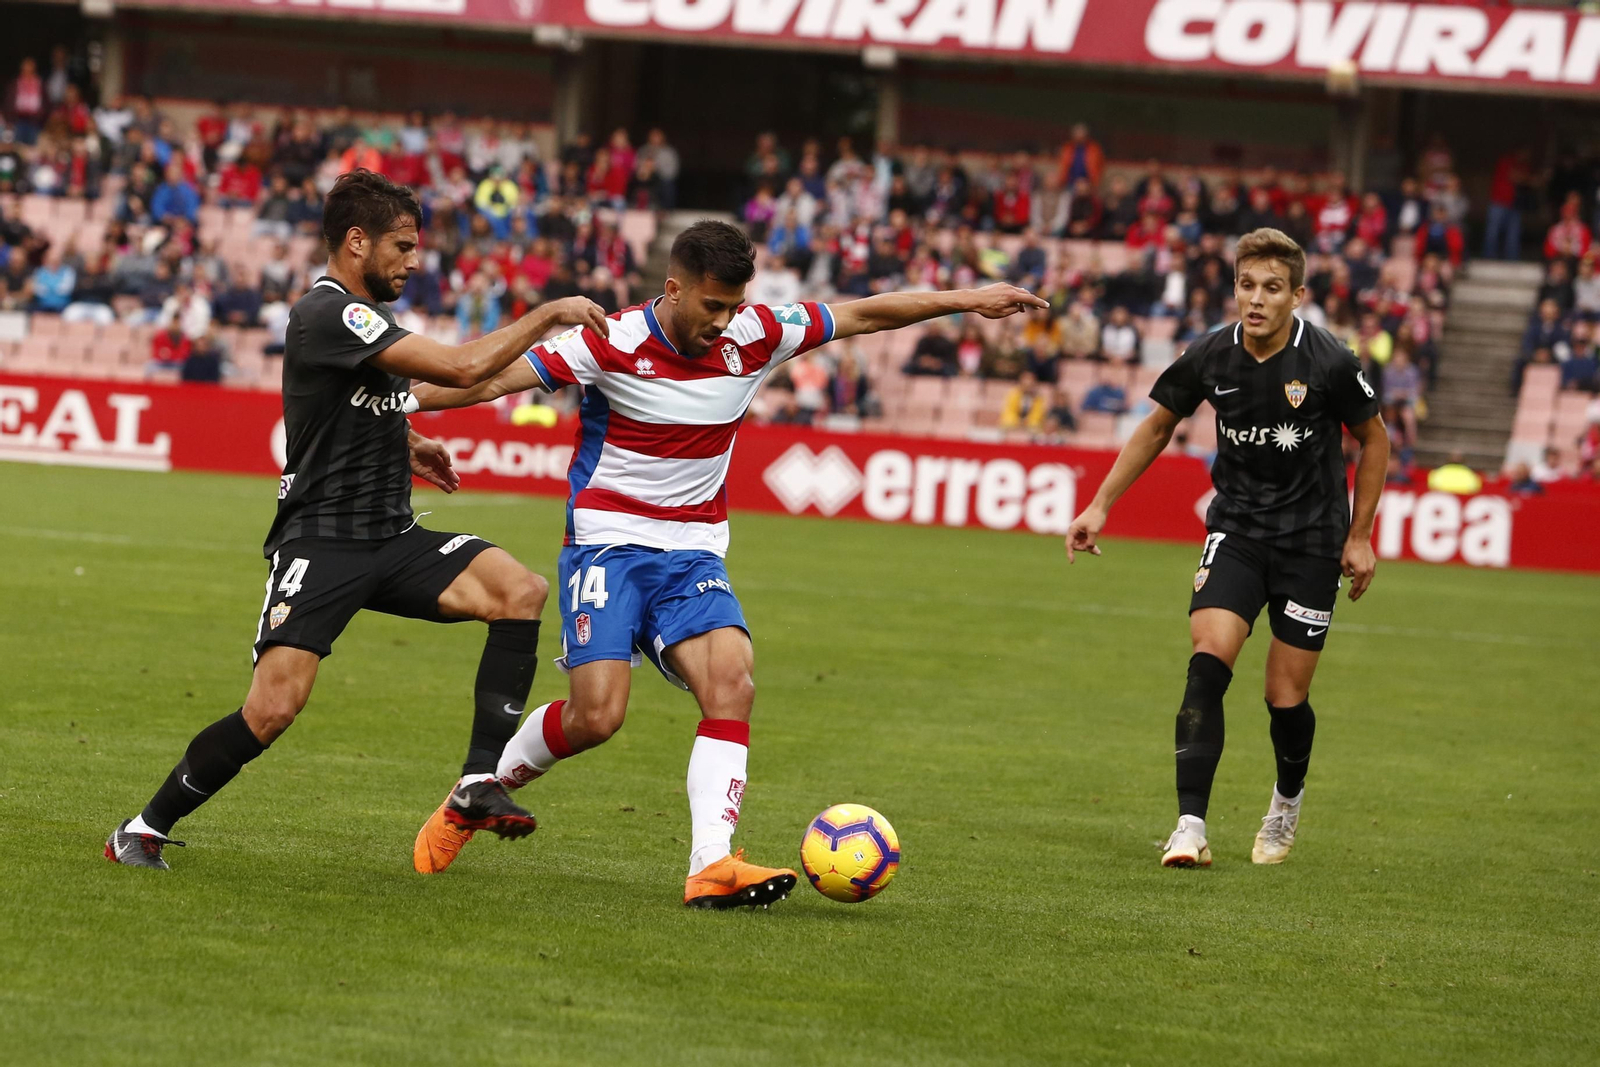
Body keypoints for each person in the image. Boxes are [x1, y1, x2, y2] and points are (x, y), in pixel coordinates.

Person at [405, 220, 1046, 907]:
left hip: (694, 553)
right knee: (597, 717)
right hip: (607, 545)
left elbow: (865, 313)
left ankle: (711, 862)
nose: (726, 321)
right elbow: (481, 382)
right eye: (713, 306)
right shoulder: (608, 339)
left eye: (735, 305)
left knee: (733, 684)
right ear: (673, 288)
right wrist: (388, 409)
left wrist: (970, 297)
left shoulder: (756, 334)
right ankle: (474, 793)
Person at [104, 169, 611, 870]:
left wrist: (408, 441)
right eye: (401, 246)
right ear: (354, 242)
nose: (412, 260)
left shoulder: (359, 320)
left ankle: (474, 783)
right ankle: (143, 827)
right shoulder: (330, 311)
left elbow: (359, 399)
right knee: (271, 710)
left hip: (393, 537)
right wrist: (548, 314)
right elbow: (463, 369)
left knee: (518, 590)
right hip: (323, 544)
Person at [1064, 227, 1389, 870]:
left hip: (1310, 546)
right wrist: (1100, 504)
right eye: (1246, 285)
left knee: (1283, 698)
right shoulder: (1210, 355)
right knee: (1208, 660)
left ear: (1297, 295)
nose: (1256, 300)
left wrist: (1359, 537)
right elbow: (1159, 424)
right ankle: (1190, 826)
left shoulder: (1329, 361)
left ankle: (1286, 802)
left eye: (1272, 288)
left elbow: (1374, 441)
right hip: (1237, 532)